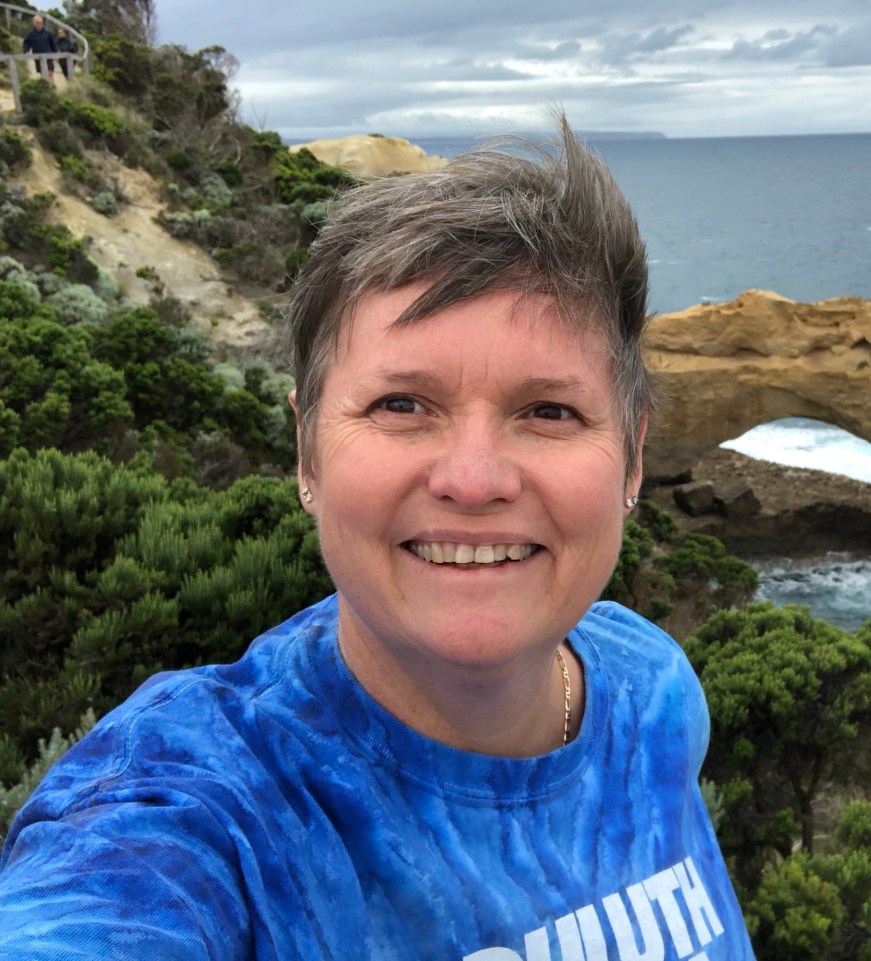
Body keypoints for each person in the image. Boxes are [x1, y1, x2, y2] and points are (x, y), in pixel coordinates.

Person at [0, 116, 756, 960]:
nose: (474, 478)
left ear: (633, 458)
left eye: (549, 410)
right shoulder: (209, 807)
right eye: (401, 405)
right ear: (307, 451)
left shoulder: (652, 686)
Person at [21, 15, 57, 83]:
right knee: (43, 75)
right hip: (38, 58)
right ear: (34, 23)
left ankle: (51, 87)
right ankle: (46, 88)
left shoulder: (48, 33)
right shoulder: (30, 34)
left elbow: (53, 44)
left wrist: (56, 54)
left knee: (50, 73)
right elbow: (26, 43)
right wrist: (26, 51)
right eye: (37, 22)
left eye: (41, 22)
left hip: (48, 57)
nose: (39, 24)